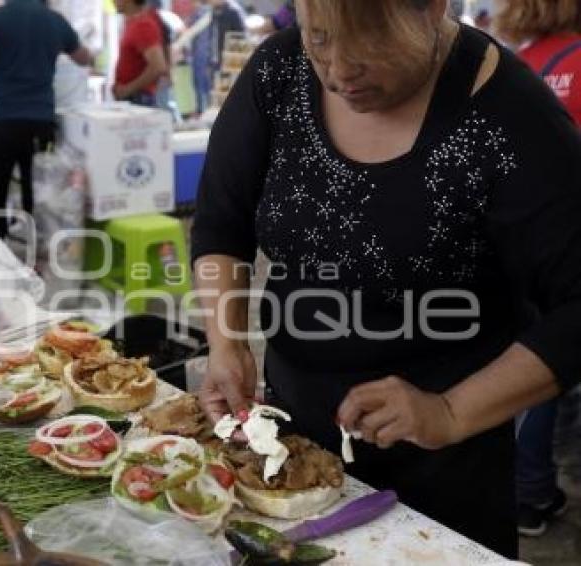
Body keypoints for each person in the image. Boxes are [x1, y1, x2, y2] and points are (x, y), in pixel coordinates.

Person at [192, 0, 581, 559]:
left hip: (446, 461)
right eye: (320, 38)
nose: (338, 72)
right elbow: (220, 222)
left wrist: (449, 413)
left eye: (369, 46)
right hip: (288, 434)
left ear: (433, 11)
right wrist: (227, 343)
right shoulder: (279, 72)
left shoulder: (510, 115)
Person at [493, 0, 581, 537]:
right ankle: (531, 487)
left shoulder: (518, 64)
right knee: (558, 360)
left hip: (523, 243)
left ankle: (528, 490)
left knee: (537, 361)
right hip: (572, 247)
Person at [0, 0, 92, 239]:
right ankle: (40, 255)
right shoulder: (55, 21)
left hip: (2, 122)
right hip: (41, 123)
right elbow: (83, 58)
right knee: (40, 194)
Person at [112, 0, 168, 106]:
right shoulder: (132, 23)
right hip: (133, 98)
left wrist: (128, 89)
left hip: (139, 98)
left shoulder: (143, 25)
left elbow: (158, 67)